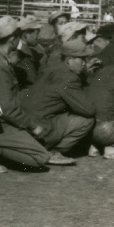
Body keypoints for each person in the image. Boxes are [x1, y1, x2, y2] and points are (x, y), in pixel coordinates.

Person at [0, 16, 52, 172]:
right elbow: (6, 108)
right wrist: (32, 126)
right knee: (41, 157)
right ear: (12, 40)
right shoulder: (0, 66)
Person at [17, 37, 97, 166]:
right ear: (69, 60)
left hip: (27, 124)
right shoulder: (69, 78)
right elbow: (89, 109)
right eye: (82, 59)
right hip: (42, 130)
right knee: (87, 120)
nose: (84, 63)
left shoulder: (52, 68)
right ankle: (54, 151)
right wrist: (88, 77)